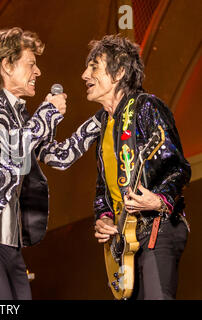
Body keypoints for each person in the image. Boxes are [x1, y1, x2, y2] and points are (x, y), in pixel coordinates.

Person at [0, 27, 101, 300]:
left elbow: (59, 157)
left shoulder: (20, 114)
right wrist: (48, 112)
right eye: (31, 64)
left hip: (10, 243)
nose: (38, 72)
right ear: (6, 65)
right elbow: (10, 150)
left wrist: (100, 121)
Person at [85, 35, 191, 299]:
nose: (84, 74)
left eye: (94, 66)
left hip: (156, 227)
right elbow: (103, 188)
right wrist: (104, 217)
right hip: (124, 242)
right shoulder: (103, 125)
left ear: (119, 71)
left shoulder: (146, 107)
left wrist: (159, 200)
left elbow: (179, 167)